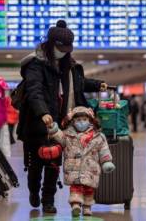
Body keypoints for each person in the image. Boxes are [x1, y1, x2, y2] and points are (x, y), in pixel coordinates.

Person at [17, 20, 107, 213]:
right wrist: (43, 113)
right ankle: (34, 190)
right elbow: (34, 91)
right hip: (37, 122)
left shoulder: (69, 65)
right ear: (50, 44)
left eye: (67, 48)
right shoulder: (36, 64)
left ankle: (48, 200)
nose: (63, 52)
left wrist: (98, 84)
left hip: (61, 121)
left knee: (53, 163)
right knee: (36, 162)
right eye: (60, 47)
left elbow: (78, 84)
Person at [48, 106, 115, 217]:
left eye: (84, 120)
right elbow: (60, 137)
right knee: (75, 188)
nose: (81, 122)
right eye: (78, 120)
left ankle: (87, 207)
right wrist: (54, 129)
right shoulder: (68, 135)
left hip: (90, 169)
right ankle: (76, 205)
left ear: (90, 120)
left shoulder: (98, 136)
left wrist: (106, 161)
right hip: (74, 168)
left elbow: (104, 149)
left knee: (89, 188)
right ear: (73, 122)